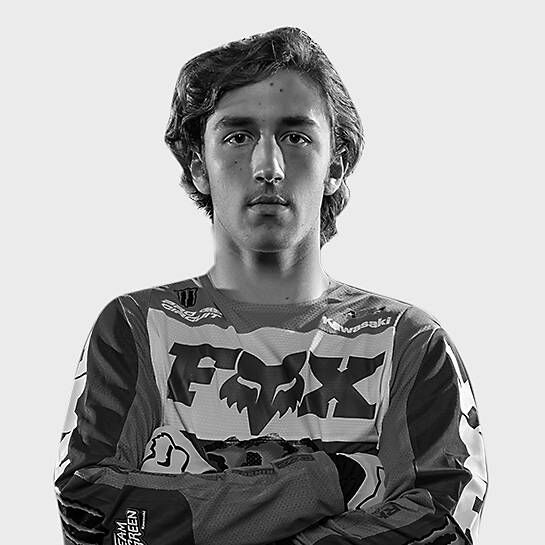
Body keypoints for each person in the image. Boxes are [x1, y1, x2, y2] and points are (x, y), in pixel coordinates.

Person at [54, 26, 488, 545]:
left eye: (296, 136)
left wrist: (188, 509)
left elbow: (439, 525)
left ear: (335, 166)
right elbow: (97, 515)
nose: (268, 166)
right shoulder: (135, 327)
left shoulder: (409, 342)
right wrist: (332, 480)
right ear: (199, 167)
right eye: (238, 137)